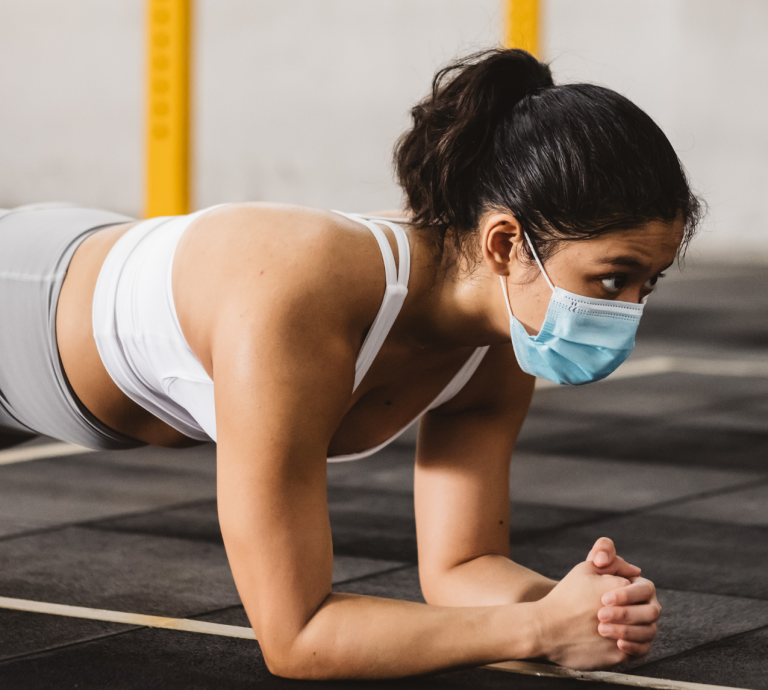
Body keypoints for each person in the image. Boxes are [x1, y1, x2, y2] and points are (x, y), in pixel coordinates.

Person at [0, 49, 700, 680]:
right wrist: (539, 627)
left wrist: (584, 606)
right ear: (506, 244)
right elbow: (297, 637)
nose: (629, 310)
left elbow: (461, 569)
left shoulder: (498, 344)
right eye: (612, 279)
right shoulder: (303, 293)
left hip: (75, 264)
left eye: (648, 283)